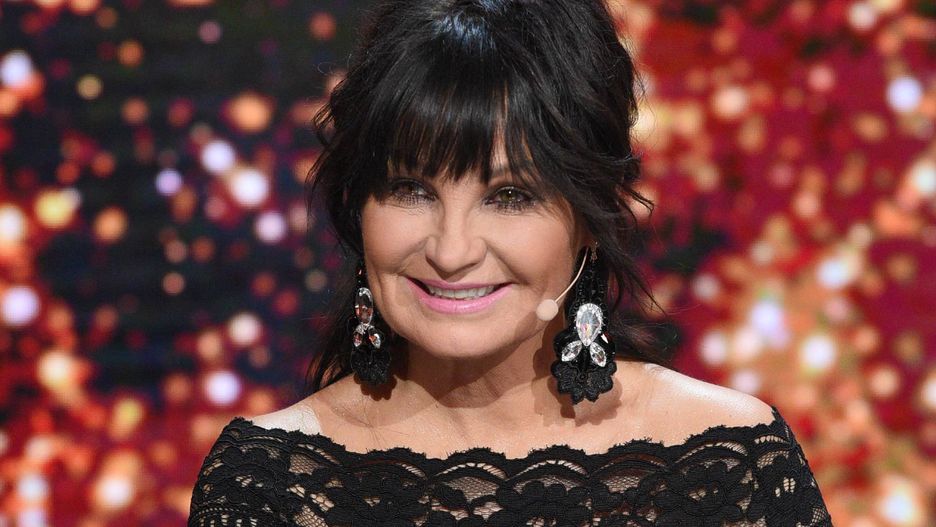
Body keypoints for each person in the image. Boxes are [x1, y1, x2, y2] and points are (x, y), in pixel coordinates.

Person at [189, 1, 831, 525]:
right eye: (410, 189)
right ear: (359, 207)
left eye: (510, 196)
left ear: (590, 217)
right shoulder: (270, 485)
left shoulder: (728, 466)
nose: (451, 251)